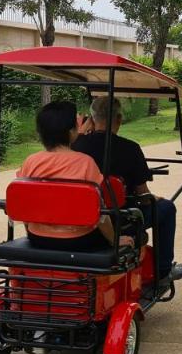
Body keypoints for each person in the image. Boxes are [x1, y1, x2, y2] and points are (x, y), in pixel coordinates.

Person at [73, 96, 182, 284]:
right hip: (119, 217)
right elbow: (142, 194)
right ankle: (163, 271)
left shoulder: (75, 146)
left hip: (80, 213)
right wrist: (151, 198)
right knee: (166, 208)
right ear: (118, 120)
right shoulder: (130, 149)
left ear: (91, 119)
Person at [17, 100, 124, 253]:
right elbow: (100, 213)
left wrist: (33, 231)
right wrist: (115, 240)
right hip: (78, 240)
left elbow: (25, 205)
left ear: (40, 133)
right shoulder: (85, 163)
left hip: (37, 238)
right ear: (72, 131)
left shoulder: (31, 162)